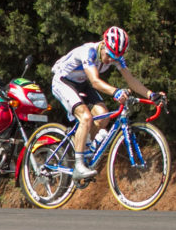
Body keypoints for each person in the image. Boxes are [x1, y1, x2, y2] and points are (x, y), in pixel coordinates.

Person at [50, 27, 164, 180]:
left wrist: (152, 95)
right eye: (109, 55)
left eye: (115, 58)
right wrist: (116, 92)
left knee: (104, 116)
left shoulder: (116, 57)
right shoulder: (89, 52)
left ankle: (85, 149)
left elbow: (131, 80)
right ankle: (78, 166)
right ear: (103, 44)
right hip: (63, 81)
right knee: (86, 117)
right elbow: (95, 82)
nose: (111, 60)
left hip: (81, 83)